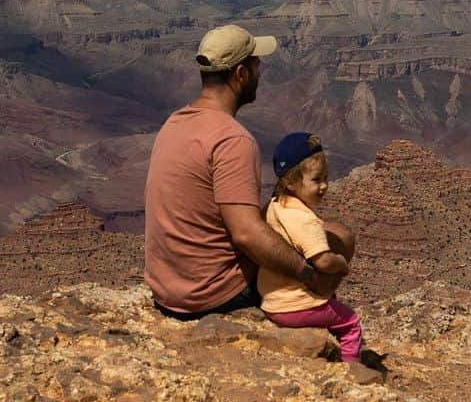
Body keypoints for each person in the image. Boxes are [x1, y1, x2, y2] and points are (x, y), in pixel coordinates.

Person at [144, 23, 336, 319]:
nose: (260, 75)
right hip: (213, 296)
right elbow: (247, 234)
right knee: (335, 238)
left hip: (167, 292)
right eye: (256, 66)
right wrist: (307, 273)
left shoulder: (175, 122)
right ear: (240, 75)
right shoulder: (233, 140)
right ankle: (316, 316)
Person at [257, 131, 364, 362]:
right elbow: (323, 261)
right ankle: (353, 369)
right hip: (295, 305)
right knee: (351, 323)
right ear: (291, 182)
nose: (324, 186)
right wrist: (342, 264)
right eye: (316, 179)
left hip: (271, 299)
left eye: (325, 177)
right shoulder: (305, 220)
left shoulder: (276, 205)